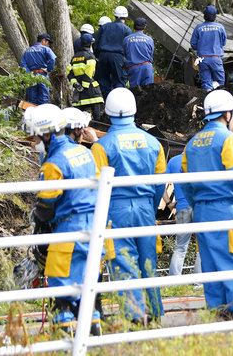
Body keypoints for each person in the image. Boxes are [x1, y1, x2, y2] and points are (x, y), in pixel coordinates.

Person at [180, 90, 233, 319]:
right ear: (227, 114)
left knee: (211, 263)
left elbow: (184, 180)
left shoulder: (192, 143)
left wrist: (197, 204)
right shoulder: (229, 139)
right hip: (228, 210)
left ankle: (218, 313)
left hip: (203, 212)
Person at [91, 88, 166, 324]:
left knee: (124, 261)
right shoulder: (154, 143)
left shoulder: (101, 147)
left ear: (108, 112)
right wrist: (150, 208)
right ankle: (154, 314)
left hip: (115, 208)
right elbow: (160, 185)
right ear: (134, 110)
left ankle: (135, 317)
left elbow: (97, 189)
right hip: (145, 207)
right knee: (148, 261)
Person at [28, 104, 101, 335]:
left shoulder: (54, 163)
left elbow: (46, 208)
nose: (34, 141)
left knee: (62, 289)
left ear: (47, 134)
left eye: (36, 136)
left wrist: (40, 232)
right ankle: (94, 338)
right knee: (88, 286)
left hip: (67, 232)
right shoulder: (85, 153)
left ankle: (64, 340)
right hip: (93, 228)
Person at [164, 152, 200, 277]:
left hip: (182, 208)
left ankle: (174, 282)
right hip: (199, 206)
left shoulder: (173, 161)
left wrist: (168, 202)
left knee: (180, 246)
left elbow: (161, 184)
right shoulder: (199, 156)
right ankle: (198, 282)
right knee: (202, 247)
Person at [94, 6, 131, 97]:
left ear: (115, 16)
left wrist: (98, 56)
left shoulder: (105, 27)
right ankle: (117, 103)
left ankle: (106, 102)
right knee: (119, 80)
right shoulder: (126, 30)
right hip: (117, 57)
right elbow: (128, 48)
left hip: (103, 55)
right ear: (125, 18)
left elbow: (96, 44)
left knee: (103, 81)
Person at [190, 5, 227, 91]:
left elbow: (193, 44)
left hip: (203, 60)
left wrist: (202, 46)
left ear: (204, 16)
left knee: (206, 84)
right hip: (216, 59)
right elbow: (224, 42)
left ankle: (207, 101)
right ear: (215, 16)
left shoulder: (198, 28)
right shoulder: (220, 27)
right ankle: (219, 100)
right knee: (220, 83)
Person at [69, 33, 104, 121]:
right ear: (91, 44)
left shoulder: (74, 57)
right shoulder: (90, 56)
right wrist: (84, 86)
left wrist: (76, 84)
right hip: (91, 91)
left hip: (78, 93)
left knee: (78, 118)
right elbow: (89, 73)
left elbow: (69, 73)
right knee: (97, 116)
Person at [20, 33, 58, 105]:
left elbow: (23, 64)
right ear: (43, 41)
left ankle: (32, 115)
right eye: (47, 42)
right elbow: (52, 59)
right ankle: (41, 114)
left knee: (31, 98)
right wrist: (49, 69)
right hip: (42, 74)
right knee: (43, 97)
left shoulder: (28, 50)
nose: (47, 44)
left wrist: (29, 74)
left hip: (31, 76)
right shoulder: (46, 49)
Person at [124, 18, 155, 87]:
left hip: (133, 68)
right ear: (144, 27)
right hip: (147, 67)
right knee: (149, 92)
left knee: (136, 92)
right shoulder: (149, 39)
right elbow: (151, 54)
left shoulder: (126, 39)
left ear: (134, 26)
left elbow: (126, 54)